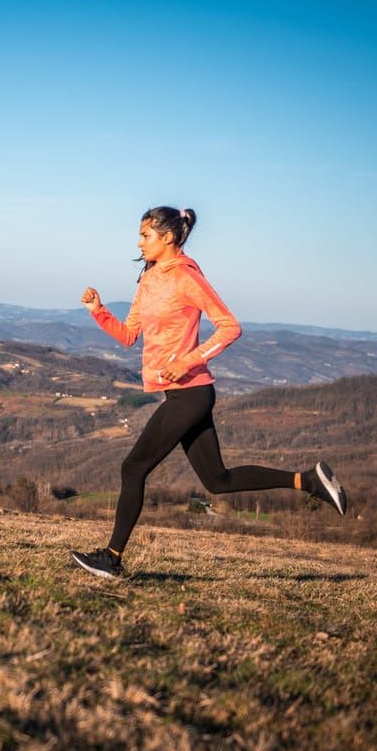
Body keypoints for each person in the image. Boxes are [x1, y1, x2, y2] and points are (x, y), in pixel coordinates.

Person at [71, 206, 347, 579]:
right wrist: (98, 310)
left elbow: (230, 327)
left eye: (145, 235)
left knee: (133, 467)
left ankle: (111, 559)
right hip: (183, 395)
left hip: (191, 393)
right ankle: (308, 480)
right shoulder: (149, 277)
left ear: (168, 237)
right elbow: (129, 335)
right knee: (218, 481)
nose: (139, 242)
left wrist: (187, 361)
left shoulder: (187, 277)